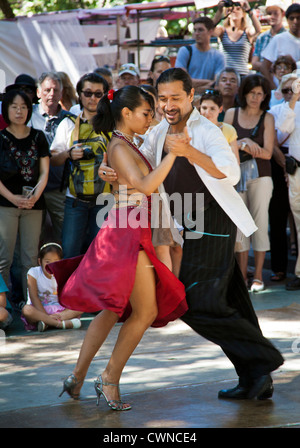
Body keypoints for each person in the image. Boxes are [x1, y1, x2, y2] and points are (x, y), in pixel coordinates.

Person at [100, 68, 284, 400]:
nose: (169, 104)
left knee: (195, 304)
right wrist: (108, 169)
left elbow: (228, 172)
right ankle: (256, 378)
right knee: (233, 302)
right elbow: (129, 151)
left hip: (213, 220)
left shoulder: (206, 130)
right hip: (188, 223)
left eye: (175, 98)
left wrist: (188, 152)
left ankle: (264, 358)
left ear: (190, 97)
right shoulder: (157, 132)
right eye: (163, 98)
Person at [48, 85, 187, 410]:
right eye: (145, 112)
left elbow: (129, 185)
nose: (150, 118)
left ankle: (78, 376)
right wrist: (173, 155)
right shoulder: (120, 146)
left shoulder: (125, 144)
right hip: (127, 233)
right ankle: (108, 379)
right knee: (145, 311)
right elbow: (145, 185)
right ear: (126, 113)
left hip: (127, 229)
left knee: (113, 308)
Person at [50, 73, 111, 258]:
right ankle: (69, 288)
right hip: (75, 199)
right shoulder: (68, 124)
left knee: (101, 254)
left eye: (98, 94)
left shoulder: (113, 123)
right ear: (79, 94)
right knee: (69, 253)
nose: (93, 98)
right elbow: (53, 159)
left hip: (106, 199)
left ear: (104, 96)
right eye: (88, 93)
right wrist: (69, 154)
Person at [224, 74, 275, 292]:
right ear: (244, 93)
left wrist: (247, 144)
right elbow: (223, 146)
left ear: (265, 96)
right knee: (239, 227)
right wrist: (243, 143)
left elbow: (268, 153)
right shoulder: (231, 114)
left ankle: (258, 276)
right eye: (252, 92)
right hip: (235, 176)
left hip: (261, 176)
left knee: (260, 223)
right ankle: (242, 275)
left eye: (260, 94)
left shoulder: (268, 118)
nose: (256, 97)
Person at [0, 90, 49, 299]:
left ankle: (31, 304)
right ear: (6, 110)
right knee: (4, 258)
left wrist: (35, 197)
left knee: (30, 258)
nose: (19, 111)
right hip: (6, 203)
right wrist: (12, 197)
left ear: (29, 110)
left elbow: (45, 171)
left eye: (23, 107)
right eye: (14, 106)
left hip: (34, 205)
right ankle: (4, 305)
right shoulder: (0, 137)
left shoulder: (38, 136)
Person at [28, 71, 70, 243]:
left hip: (59, 188)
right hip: (31, 186)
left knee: (63, 236)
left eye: (55, 90)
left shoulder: (70, 120)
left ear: (61, 93)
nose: (51, 94)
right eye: (46, 90)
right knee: (31, 238)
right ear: (38, 92)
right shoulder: (27, 115)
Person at [271, 72, 300, 290]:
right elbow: (282, 130)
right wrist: (293, 101)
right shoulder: (278, 111)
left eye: (296, 88)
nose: (293, 93)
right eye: (288, 90)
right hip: (291, 170)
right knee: (296, 224)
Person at [21, 243, 81, 332]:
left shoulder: (65, 272)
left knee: (81, 305)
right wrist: (45, 316)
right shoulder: (33, 272)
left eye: (55, 261)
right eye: (47, 261)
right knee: (26, 310)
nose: (51, 265)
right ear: (39, 261)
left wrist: (58, 315)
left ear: (61, 261)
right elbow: (34, 297)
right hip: (39, 310)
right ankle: (59, 324)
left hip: (61, 312)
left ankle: (46, 323)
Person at [175, 17, 225, 94]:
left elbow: (217, 84)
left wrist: (193, 86)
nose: (197, 33)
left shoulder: (218, 56)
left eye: (200, 30)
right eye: (195, 30)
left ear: (210, 32)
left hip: (208, 100)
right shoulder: (185, 51)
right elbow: (181, 80)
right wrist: (209, 82)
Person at [213, 0, 261, 77]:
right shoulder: (222, 30)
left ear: (243, 13)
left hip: (242, 74)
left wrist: (249, 10)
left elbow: (258, 29)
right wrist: (219, 10)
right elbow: (210, 30)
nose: (234, 11)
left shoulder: (247, 31)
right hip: (225, 74)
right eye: (231, 9)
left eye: (238, 9)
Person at [261, 3, 300, 89]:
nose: (295, 21)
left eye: (298, 18)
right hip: (283, 92)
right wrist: (274, 88)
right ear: (287, 20)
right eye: (292, 18)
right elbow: (264, 67)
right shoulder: (278, 39)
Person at [199, 88, 239, 163]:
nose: (207, 112)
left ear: (220, 109)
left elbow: (235, 162)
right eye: (204, 108)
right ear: (199, 108)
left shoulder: (229, 130)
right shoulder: (192, 129)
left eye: (212, 109)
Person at [251, 1, 287, 73]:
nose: (272, 17)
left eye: (275, 13)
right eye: (269, 14)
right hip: (262, 80)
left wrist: (263, 66)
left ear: (282, 14)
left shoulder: (287, 37)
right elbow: (254, 64)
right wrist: (273, 67)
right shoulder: (261, 37)